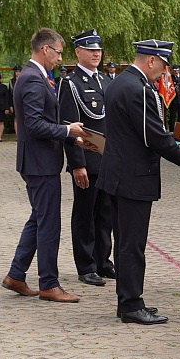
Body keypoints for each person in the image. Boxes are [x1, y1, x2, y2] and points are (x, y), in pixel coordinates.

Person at [99, 39, 180, 324]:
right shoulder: (137, 89)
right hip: (132, 177)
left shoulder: (120, 82)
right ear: (152, 60)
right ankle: (131, 304)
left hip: (119, 174)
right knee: (132, 245)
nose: (165, 72)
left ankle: (127, 301)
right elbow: (153, 135)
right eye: (164, 65)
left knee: (124, 242)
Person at [3, 28, 86, 302]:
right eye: (59, 52)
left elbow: (39, 119)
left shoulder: (37, 77)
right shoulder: (32, 80)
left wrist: (66, 129)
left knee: (39, 219)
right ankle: (49, 284)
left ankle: (16, 275)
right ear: (45, 49)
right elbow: (35, 124)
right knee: (49, 223)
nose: (60, 59)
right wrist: (67, 131)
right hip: (40, 163)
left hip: (40, 161)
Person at [60, 28, 115, 286]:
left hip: (107, 159)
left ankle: (103, 261)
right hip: (87, 159)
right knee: (85, 214)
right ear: (78, 52)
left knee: (106, 213)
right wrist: (77, 164)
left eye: (98, 50)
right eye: (90, 49)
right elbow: (69, 126)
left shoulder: (106, 81)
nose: (96, 54)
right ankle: (86, 265)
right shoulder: (70, 83)